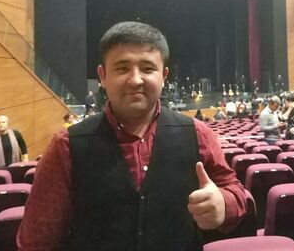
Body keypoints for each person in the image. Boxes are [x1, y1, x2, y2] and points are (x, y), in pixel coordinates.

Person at [17, 21, 246, 251]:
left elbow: (235, 192)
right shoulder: (66, 147)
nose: (135, 80)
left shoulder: (197, 133)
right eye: (122, 68)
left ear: (164, 76)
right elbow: (36, 242)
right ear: (103, 76)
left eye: (147, 69)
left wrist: (223, 204)